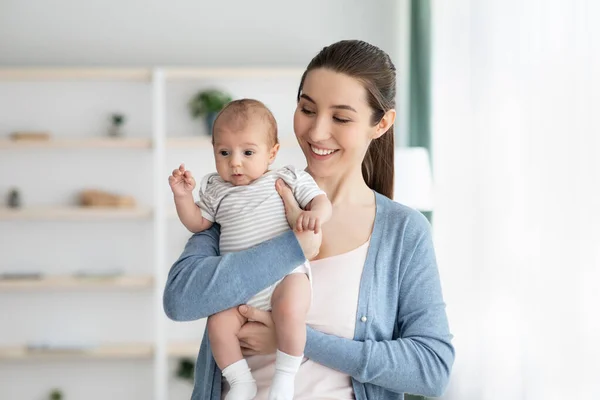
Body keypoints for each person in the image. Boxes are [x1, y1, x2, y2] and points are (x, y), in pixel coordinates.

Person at [164, 39, 454, 400]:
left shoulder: (403, 232)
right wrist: (290, 248)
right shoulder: (243, 197)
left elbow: (431, 369)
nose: (317, 132)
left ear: (381, 124)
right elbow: (180, 300)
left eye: (341, 117)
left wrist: (295, 338)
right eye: (307, 109)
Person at [168, 98, 332, 400]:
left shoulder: (286, 178)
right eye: (224, 152)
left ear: (272, 152)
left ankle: (285, 377)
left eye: (248, 152)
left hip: (286, 276)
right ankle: (241, 381)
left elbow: (321, 202)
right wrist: (183, 197)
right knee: (218, 325)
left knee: (291, 309)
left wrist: (314, 216)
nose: (235, 162)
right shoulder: (216, 188)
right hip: (238, 290)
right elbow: (198, 223)